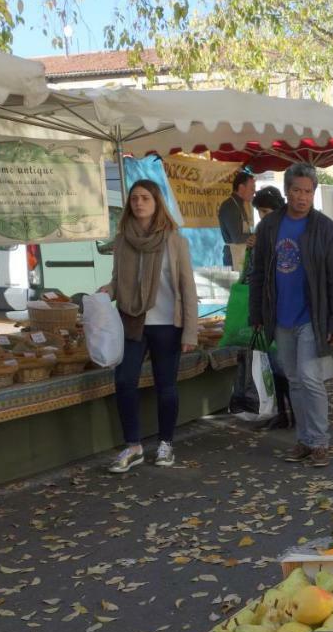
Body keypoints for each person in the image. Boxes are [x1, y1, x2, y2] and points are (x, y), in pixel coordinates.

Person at [248, 162, 333, 467]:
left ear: (314, 193)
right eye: (296, 191)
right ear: (287, 191)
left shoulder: (325, 229)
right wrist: (256, 314)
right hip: (281, 316)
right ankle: (304, 440)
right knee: (293, 378)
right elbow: (258, 274)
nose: (302, 197)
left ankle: (319, 441)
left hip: (313, 317)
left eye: (308, 191)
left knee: (309, 376)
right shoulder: (269, 227)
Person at [104, 179, 199, 473]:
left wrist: (191, 331)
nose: (139, 203)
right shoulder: (122, 240)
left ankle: (165, 443)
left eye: (145, 198)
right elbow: (118, 280)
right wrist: (106, 291)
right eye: (134, 199)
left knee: (166, 385)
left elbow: (187, 287)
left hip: (167, 324)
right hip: (132, 321)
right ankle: (133, 446)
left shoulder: (174, 240)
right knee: (123, 381)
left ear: (157, 203)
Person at [248, 186, 293, 430]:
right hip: (269, 308)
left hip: (289, 309)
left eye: (265, 211)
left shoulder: (287, 231)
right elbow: (255, 273)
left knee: (289, 367)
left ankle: (295, 413)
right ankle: (283, 412)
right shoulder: (262, 232)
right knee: (276, 366)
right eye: (259, 212)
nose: (262, 216)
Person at [218, 171, 256, 268]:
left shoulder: (240, 205)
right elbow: (237, 238)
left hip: (241, 255)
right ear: (241, 188)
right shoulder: (230, 206)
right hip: (233, 257)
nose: (254, 192)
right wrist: (256, 236)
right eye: (252, 188)